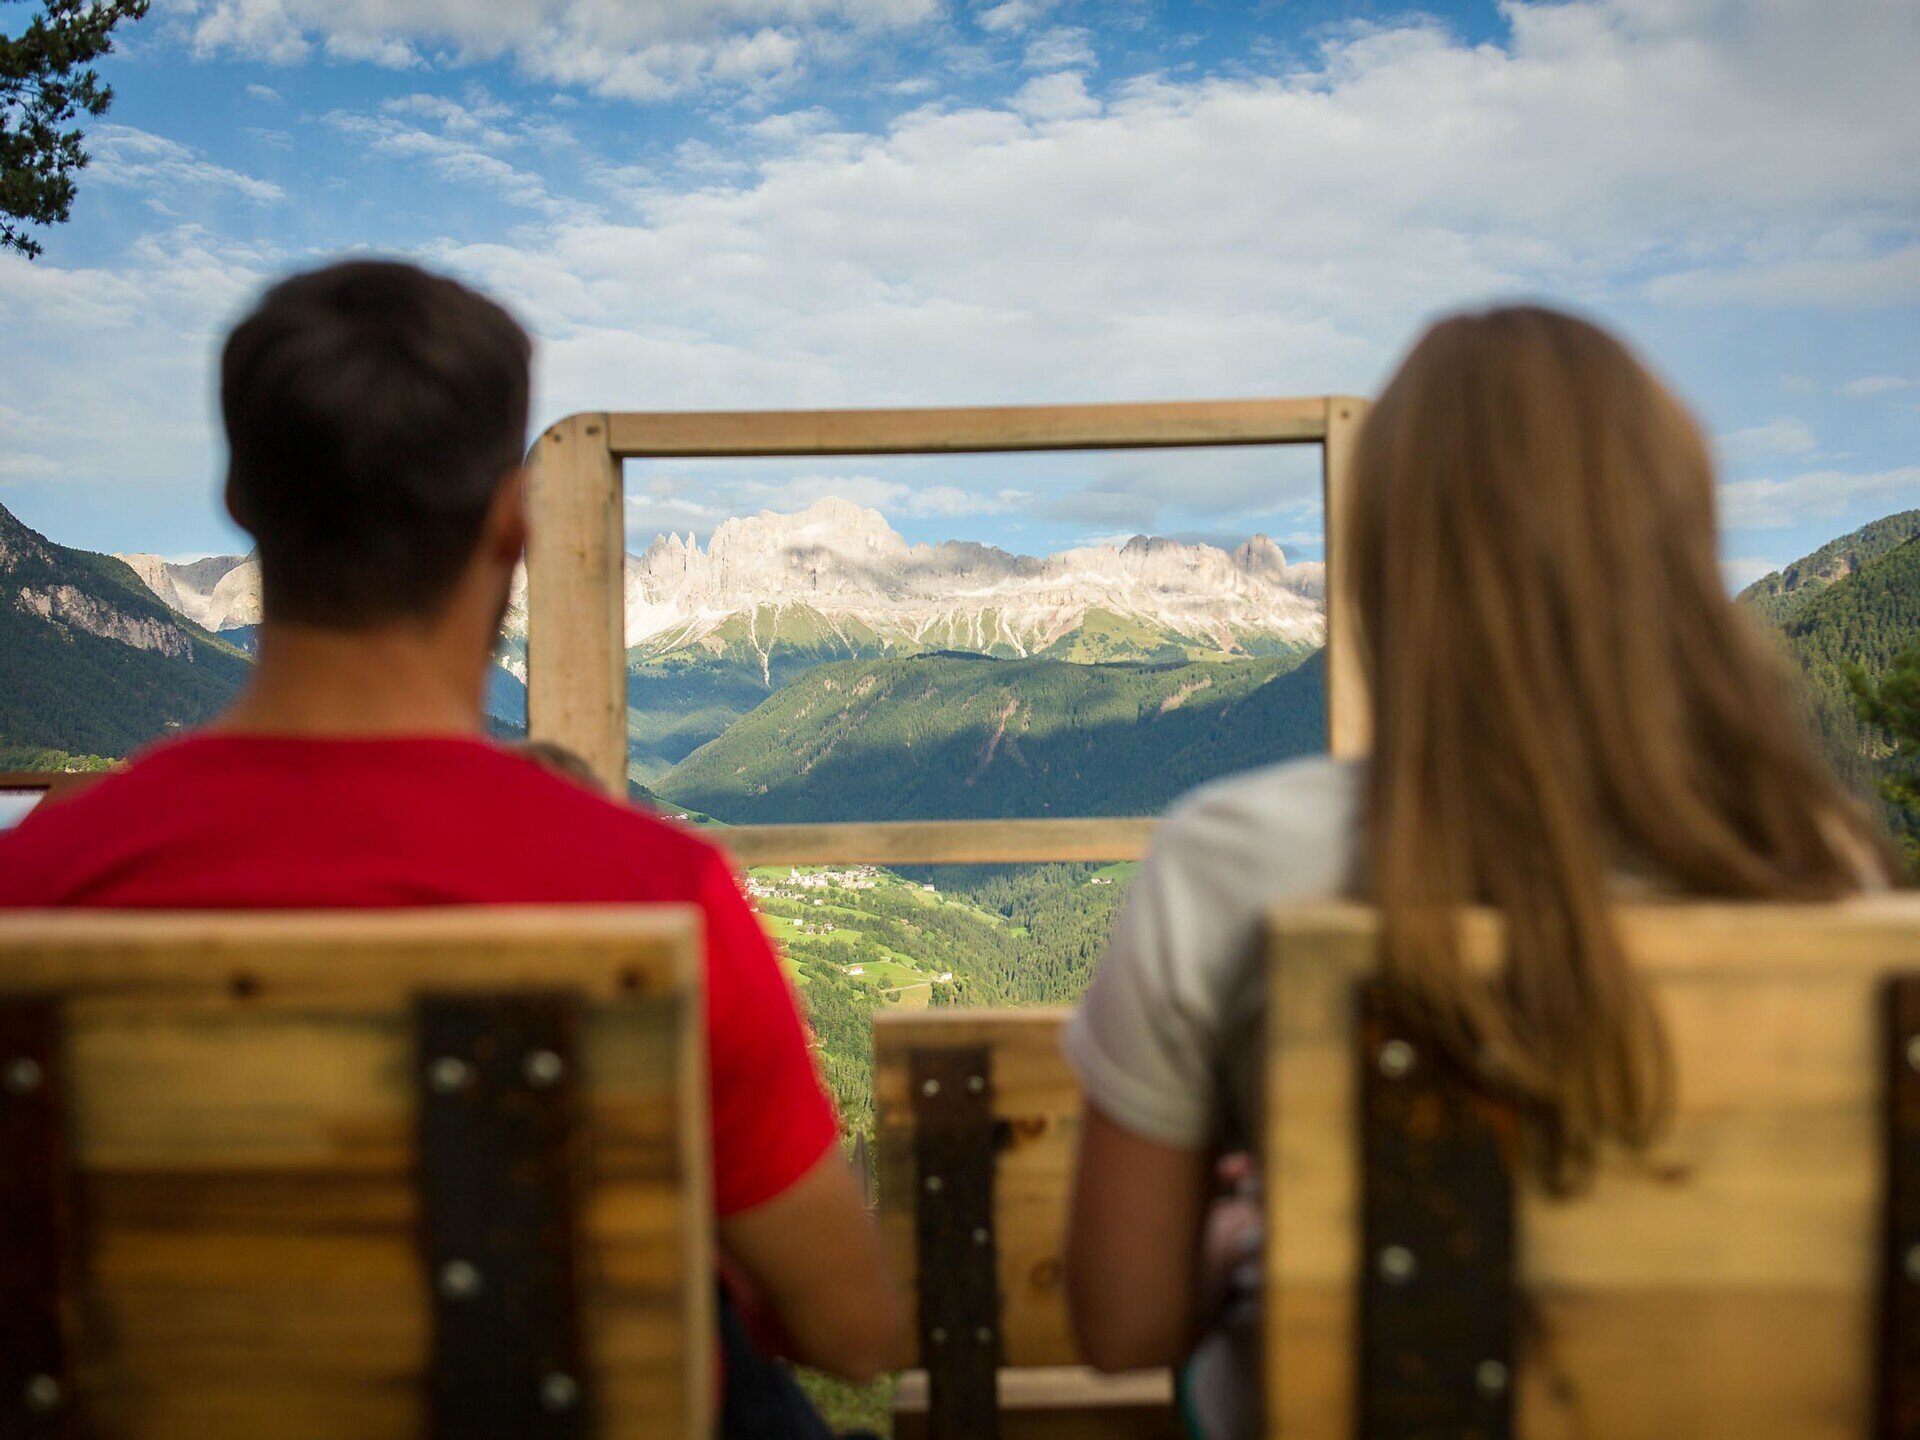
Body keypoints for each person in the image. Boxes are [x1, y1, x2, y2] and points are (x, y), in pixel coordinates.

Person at [0, 259, 900, 1421]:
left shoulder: (35, 882)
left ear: (241, 501)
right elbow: (851, 1327)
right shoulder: (653, 890)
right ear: (514, 521)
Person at [1060, 304, 1893, 1432]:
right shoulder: (1830, 869)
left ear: (1391, 560)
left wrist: (1243, 1237)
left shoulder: (1231, 859)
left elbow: (1123, 1320)